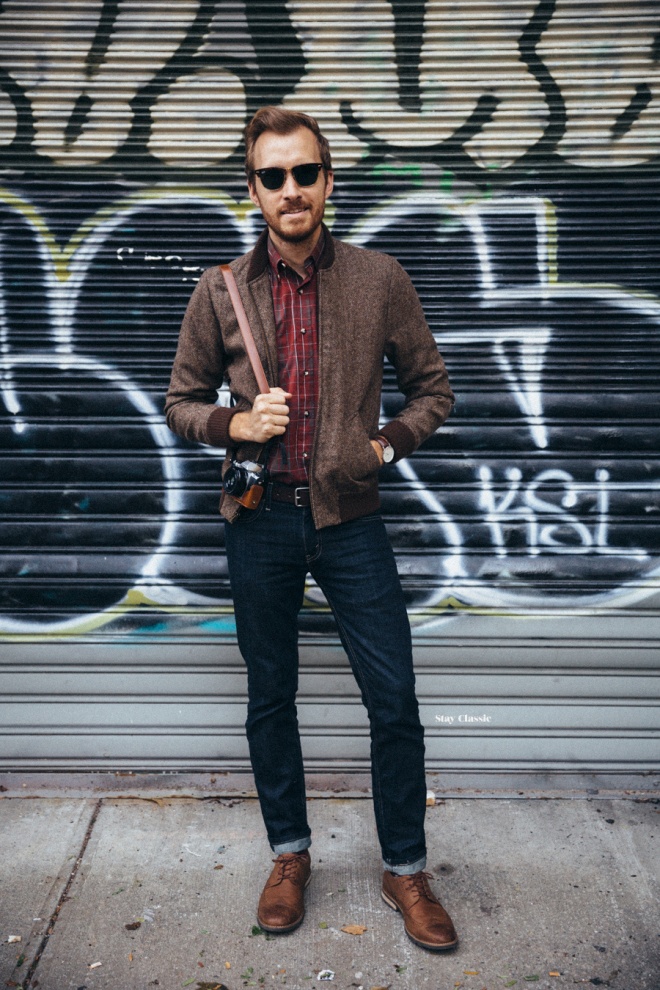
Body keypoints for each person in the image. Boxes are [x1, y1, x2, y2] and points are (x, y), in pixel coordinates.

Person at [165, 106, 457, 952]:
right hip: (260, 522)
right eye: (272, 176)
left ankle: (404, 868)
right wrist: (234, 426)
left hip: (352, 522)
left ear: (328, 180)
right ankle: (289, 856)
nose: (289, 189)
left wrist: (379, 448)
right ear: (253, 189)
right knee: (271, 697)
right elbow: (181, 401)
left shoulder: (379, 278)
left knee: (394, 698)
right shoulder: (221, 290)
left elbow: (434, 391)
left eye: (304, 172)